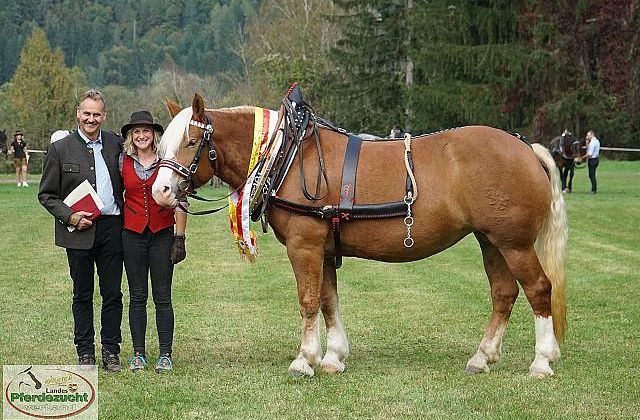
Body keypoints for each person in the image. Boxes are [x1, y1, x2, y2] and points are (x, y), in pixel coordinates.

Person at [38, 90, 125, 372]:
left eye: (96, 114)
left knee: (112, 293)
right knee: (82, 293)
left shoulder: (116, 144)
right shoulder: (60, 148)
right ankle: (85, 351)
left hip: (113, 227)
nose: (91, 119)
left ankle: (111, 351)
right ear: (78, 113)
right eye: (86, 113)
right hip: (77, 231)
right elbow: (47, 195)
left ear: (104, 115)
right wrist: (71, 217)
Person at [119, 111, 188, 373]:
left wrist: (179, 238)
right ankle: (138, 353)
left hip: (162, 234)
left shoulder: (167, 163)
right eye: (136, 131)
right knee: (137, 297)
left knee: (162, 297)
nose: (141, 135)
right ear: (131, 136)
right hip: (132, 235)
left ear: (154, 134)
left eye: (146, 131)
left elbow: (181, 201)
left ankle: (165, 354)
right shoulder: (122, 162)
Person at [583, 130, 601, 194]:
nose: (587, 136)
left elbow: (589, 153)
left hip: (592, 160)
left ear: (592, 135)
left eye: (588, 135)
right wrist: (587, 142)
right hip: (595, 159)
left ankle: (594, 190)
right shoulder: (596, 141)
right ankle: (593, 189)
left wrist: (582, 158)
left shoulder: (593, 142)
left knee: (592, 175)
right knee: (591, 175)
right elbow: (588, 148)